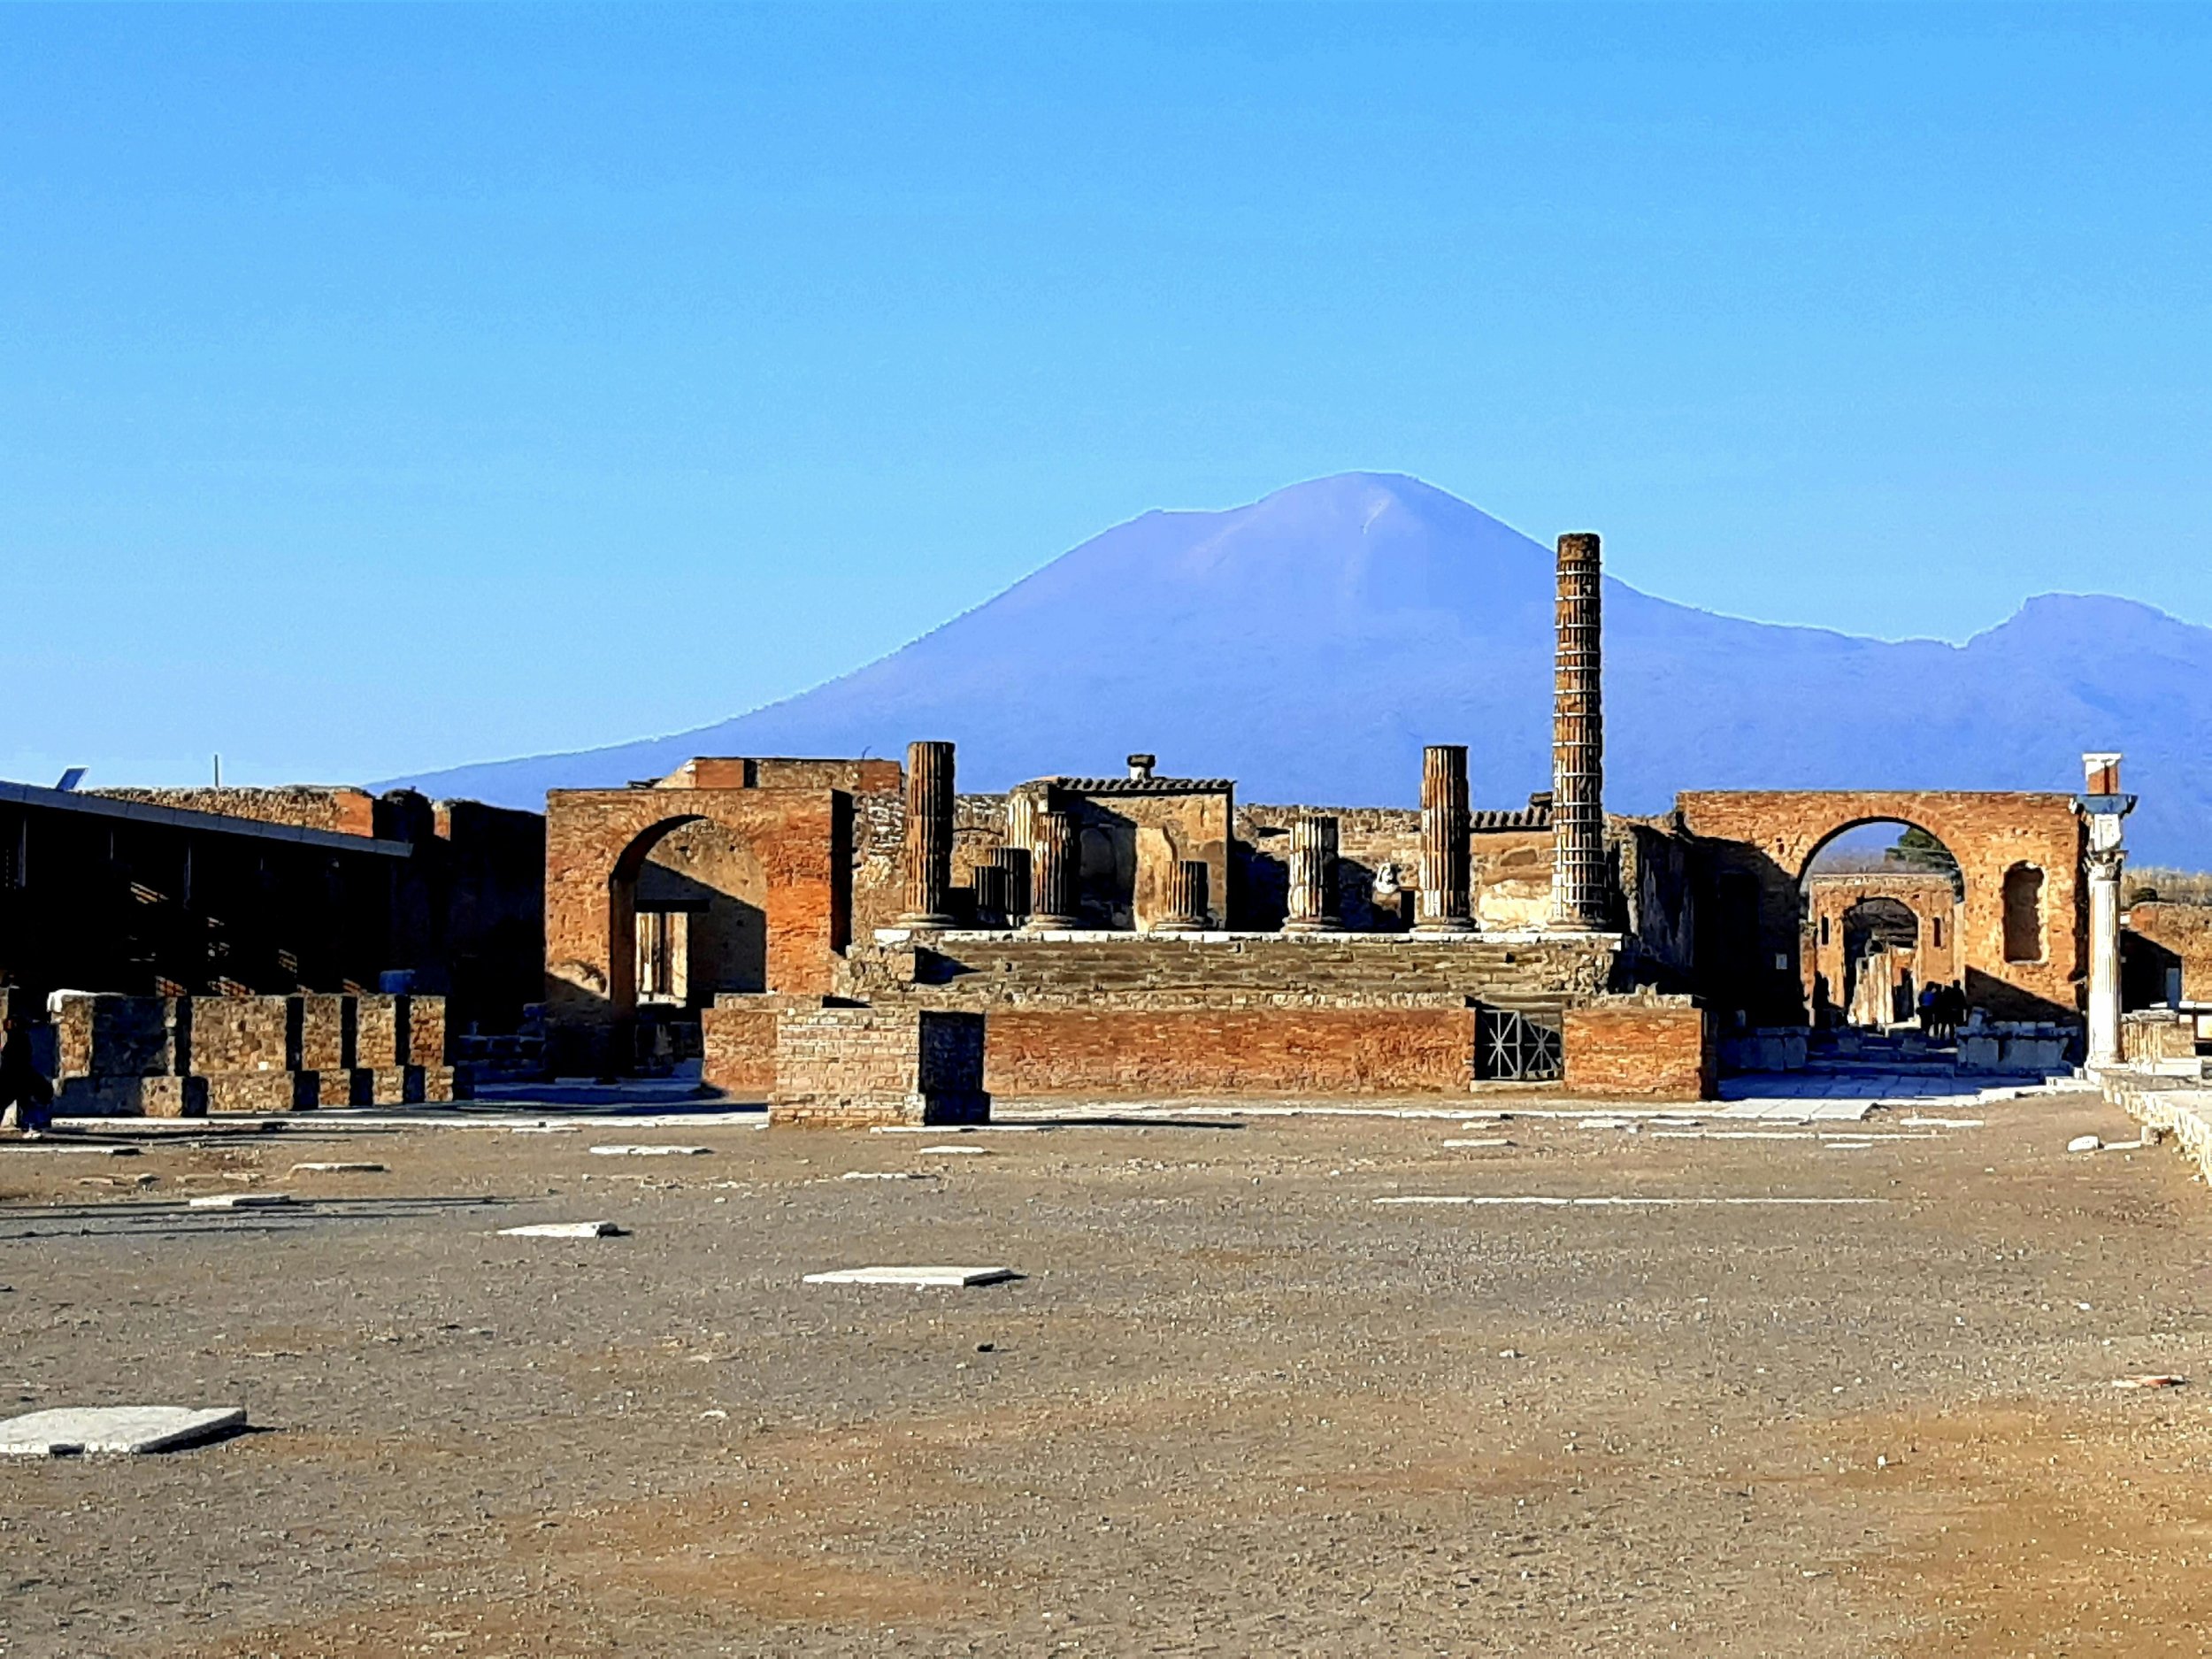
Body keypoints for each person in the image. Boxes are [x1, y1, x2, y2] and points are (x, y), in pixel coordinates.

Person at [0, 1016, 55, 1136]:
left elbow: (17, 1061)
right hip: (15, 1077)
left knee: (26, 1103)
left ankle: (33, 1126)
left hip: (17, 1077)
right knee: (23, 1103)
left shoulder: (19, 1040)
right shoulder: (17, 1040)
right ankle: (33, 1126)